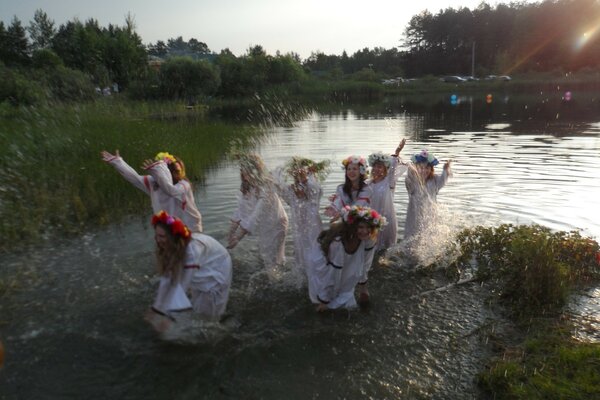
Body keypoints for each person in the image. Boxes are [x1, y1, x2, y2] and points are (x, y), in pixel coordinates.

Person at [145, 210, 232, 332]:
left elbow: (182, 285)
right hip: (203, 263)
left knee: (209, 319)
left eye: (162, 236)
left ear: (173, 237)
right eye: (156, 235)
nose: (157, 240)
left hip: (218, 266)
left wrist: (167, 316)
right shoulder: (171, 247)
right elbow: (168, 278)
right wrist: (156, 309)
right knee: (198, 306)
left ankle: (221, 333)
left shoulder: (192, 251)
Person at [101, 150, 203, 233]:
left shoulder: (184, 185)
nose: (176, 173)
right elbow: (135, 178)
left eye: (177, 171)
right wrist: (118, 162)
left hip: (191, 229)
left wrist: (156, 170)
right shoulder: (153, 183)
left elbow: (171, 191)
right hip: (169, 230)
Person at [308, 205, 386, 310]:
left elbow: (365, 264)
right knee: (325, 300)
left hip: (343, 265)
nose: (365, 231)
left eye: (368, 227)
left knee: (348, 300)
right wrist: (324, 300)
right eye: (361, 227)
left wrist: (363, 289)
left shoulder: (368, 239)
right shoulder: (338, 243)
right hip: (326, 264)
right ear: (353, 227)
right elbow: (332, 272)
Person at [227, 154, 289, 269]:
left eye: (246, 171)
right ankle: (277, 271)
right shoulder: (247, 185)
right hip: (266, 223)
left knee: (272, 258)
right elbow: (241, 210)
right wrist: (231, 234)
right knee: (266, 255)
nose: (244, 174)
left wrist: (238, 237)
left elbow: (256, 214)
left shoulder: (267, 185)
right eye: (243, 171)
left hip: (277, 223)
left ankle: (277, 278)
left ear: (255, 170)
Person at [273, 157, 329, 273]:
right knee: (301, 257)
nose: (299, 177)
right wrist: (282, 171)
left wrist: (306, 178)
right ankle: (303, 277)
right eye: (296, 175)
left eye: (302, 174)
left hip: (313, 232)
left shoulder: (314, 192)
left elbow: (315, 187)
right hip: (299, 233)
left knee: (315, 256)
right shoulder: (291, 192)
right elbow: (277, 184)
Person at [404, 149, 452, 244]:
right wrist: (410, 167)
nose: (424, 170)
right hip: (414, 214)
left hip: (430, 213)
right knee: (413, 237)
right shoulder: (413, 182)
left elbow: (443, 180)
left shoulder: (434, 180)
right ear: (416, 169)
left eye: (427, 168)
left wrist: (445, 169)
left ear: (431, 169)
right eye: (421, 168)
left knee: (429, 235)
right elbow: (408, 178)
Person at [367, 139, 408, 251]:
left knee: (388, 249)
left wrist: (397, 151)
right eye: (375, 166)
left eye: (380, 167)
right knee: (371, 248)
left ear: (385, 169)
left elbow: (393, 167)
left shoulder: (389, 182)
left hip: (387, 219)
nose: (376, 169)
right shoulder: (367, 183)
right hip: (372, 220)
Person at [325, 155, 372, 221]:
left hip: (362, 222)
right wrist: (333, 208)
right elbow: (338, 203)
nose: (351, 172)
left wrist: (340, 214)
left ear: (361, 171)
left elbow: (357, 207)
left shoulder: (366, 189)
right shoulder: (341, 188)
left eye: (354, 169)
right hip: (346, 221)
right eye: (349, 169)